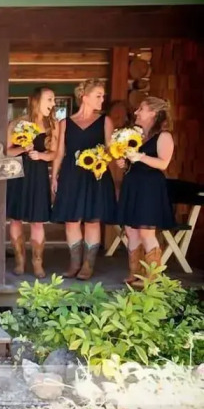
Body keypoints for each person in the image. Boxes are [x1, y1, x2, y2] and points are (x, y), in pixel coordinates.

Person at [52, 79, 117, 280]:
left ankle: (88, 266)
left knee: (92, 220)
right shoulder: (65, 123)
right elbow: (60, 152)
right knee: (71, 220)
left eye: (103, 96)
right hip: (71, 174)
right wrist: (54, 177)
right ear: (84, 97)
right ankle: (74, 264)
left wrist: (102, 157)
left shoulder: (105, 121)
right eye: (98, 95)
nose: (102, 100)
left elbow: (111, 150)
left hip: (95, 175)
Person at [116, 97, 176, 287]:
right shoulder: (135, 135)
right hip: (132, 184)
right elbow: (132, 162)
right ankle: (134, 273)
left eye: (141, 109)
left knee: (146, 232)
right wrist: (124, 163)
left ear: (153, 113)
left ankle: (152, 277)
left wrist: (140, 157)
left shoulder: (164, 136)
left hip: (149, 187)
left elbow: (163, 163)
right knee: (131, 230)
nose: (136, 112)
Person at [6, 87, 58, 278]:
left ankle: (37, 263)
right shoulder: (17, 123)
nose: (53, 104)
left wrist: (41, 156)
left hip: (38, 175)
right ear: (37, 101)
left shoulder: (52, 125)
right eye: (49, 99)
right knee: (16, 218)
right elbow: (6, 151)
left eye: (53, 100)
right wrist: (22, 148)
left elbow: (55, 153)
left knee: (37, 221)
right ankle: (20, 261)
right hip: (18, 175)